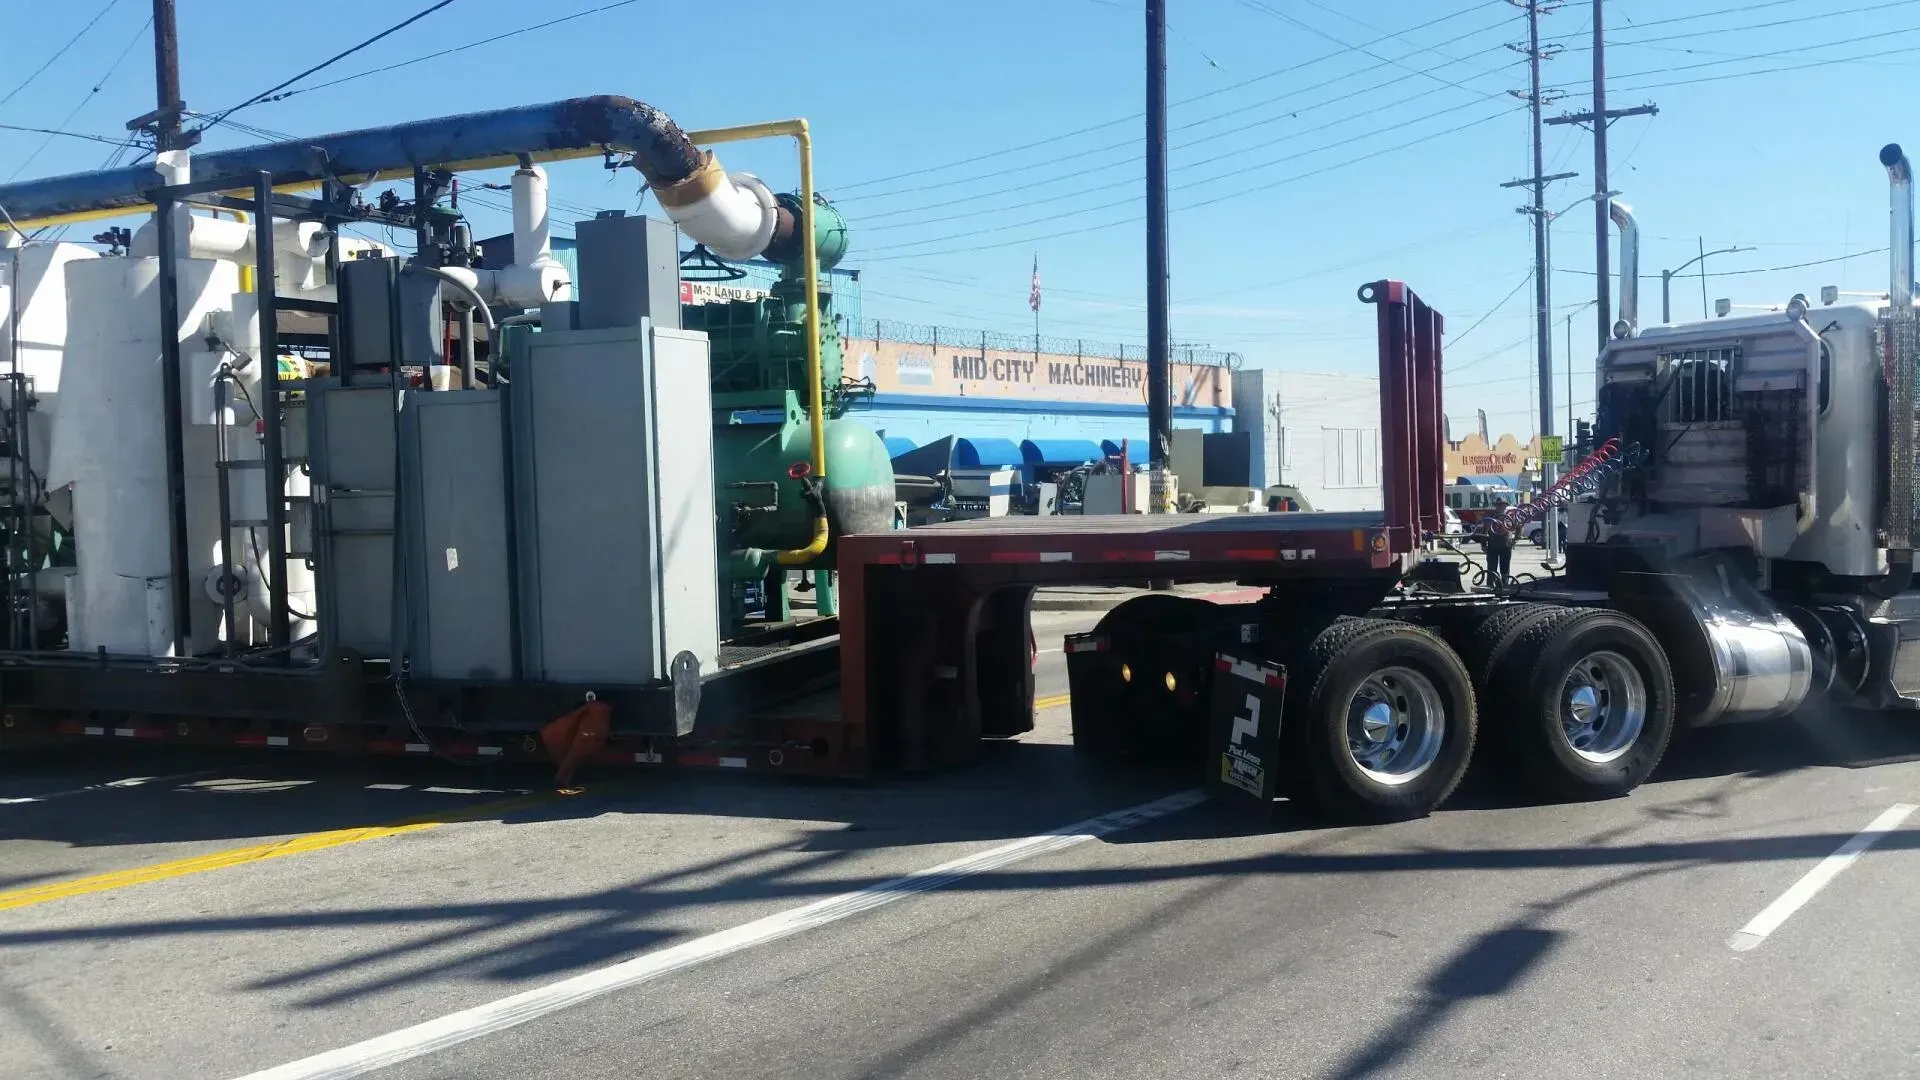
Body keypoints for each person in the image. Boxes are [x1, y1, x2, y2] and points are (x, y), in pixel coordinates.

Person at [1475, 498, 1514, 587]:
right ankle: (1490, 585)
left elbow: (1519, 527)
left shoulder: (1510, 517)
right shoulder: (1490, 517)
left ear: (1505, 506)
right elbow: (1484, 532)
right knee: (1492, 568)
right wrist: (1483, 545)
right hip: (1493, 547)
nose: (1501, 507)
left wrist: (1515, 541)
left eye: (1502, 505)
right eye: (1499, 505)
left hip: (1506, 547)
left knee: (1505, 568)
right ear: (1496, 506)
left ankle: (1504, 585)